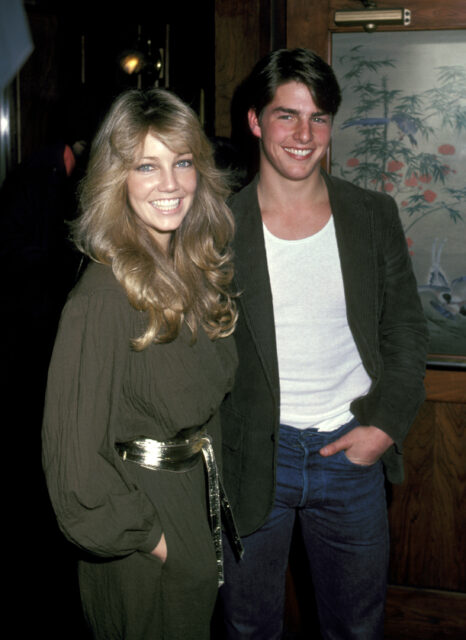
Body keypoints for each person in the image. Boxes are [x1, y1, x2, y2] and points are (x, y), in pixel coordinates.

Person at [217, 48, 429, 639]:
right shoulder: (216, 227)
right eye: (286, 115)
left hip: (351, 453)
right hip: (254, 457)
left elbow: (407, 331)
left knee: (356, 630)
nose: (303, 135)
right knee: (247, 628)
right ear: (256, 121)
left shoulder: (372, 215)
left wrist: (384, 426)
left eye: (318, 118)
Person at [42, 87, 240, 640]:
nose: (171, 184)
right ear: (117, 178)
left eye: (181, 162)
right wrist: (158, 541)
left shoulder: (197, 272)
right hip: (141, 529)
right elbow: (75, 472)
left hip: (191, 507)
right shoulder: (102, 298)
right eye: (146, 166)